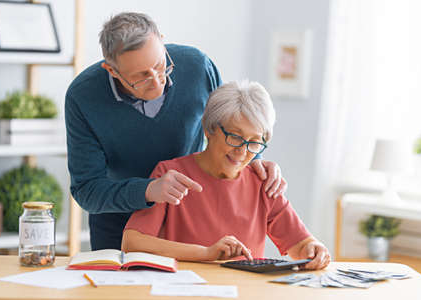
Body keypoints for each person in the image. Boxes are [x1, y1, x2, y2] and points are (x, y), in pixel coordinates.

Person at [65, 12, 287, 250]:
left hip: (191, 222)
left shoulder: (198, 67)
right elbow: (87, 190)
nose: (157, 81)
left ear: (161, 40)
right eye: (141, 77)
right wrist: (149, 189)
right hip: (119, 229)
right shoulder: (83, 97)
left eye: (161, 66)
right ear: (112, 71)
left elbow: (229, 124)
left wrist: (256, 160)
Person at [122, 80, 331, 270]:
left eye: (254, 142)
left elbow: (300, 245)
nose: (242, 151)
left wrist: (314, 249)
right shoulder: (171, 174)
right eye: (235, 137)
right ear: (209, 129)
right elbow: (132, 242)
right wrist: (205, 253)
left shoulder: (263, 182)